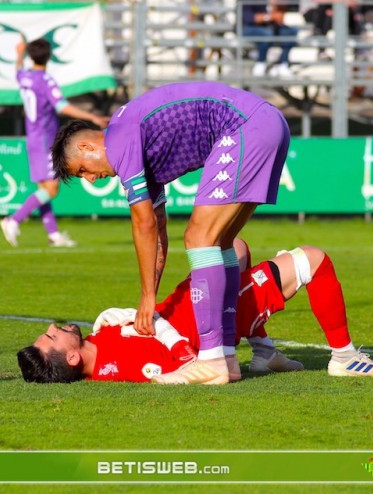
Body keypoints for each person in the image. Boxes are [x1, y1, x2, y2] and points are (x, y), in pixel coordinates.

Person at [51, 82, 291, 385]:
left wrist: (147, 298)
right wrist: (150, 303)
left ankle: (213, 360)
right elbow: (159, 235)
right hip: (269, 123)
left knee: (198, 238)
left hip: (246, 125)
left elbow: (144, 225)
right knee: (220, 242)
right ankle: (227, 358)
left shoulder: (121, 139)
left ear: (86, 147)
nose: (90, 180)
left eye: (82, 170)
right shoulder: (136, 153)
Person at [17, 239, 373, 383]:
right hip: (212, 313)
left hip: (192, 296)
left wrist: (114, 315)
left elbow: (138, 322)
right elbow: (178, 364)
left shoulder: (98, 346)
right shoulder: (120, 368)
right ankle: (344, 357)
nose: (52, 326)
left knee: (237, 246)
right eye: (51, 335)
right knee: (313, 260)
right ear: (69, 355)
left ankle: (264, 354)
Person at [0, 38, 109, 249]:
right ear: (49, 56)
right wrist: (92, 118)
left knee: (43, 188)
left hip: (31, 138)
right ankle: (13, 220)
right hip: (44, 139)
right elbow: (62, 106)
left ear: (31, 56)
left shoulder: (24, 77)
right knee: (51, 189)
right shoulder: (45, 80)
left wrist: (18, 54)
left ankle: (54, 235)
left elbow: (17, 70)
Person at [237, 0, 299, 78]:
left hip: (263, 25)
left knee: (291, 32)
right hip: (247, 28)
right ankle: (260, 64)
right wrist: (270, 16)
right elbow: (248, 17)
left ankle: (282, 64)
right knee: (266, 33)